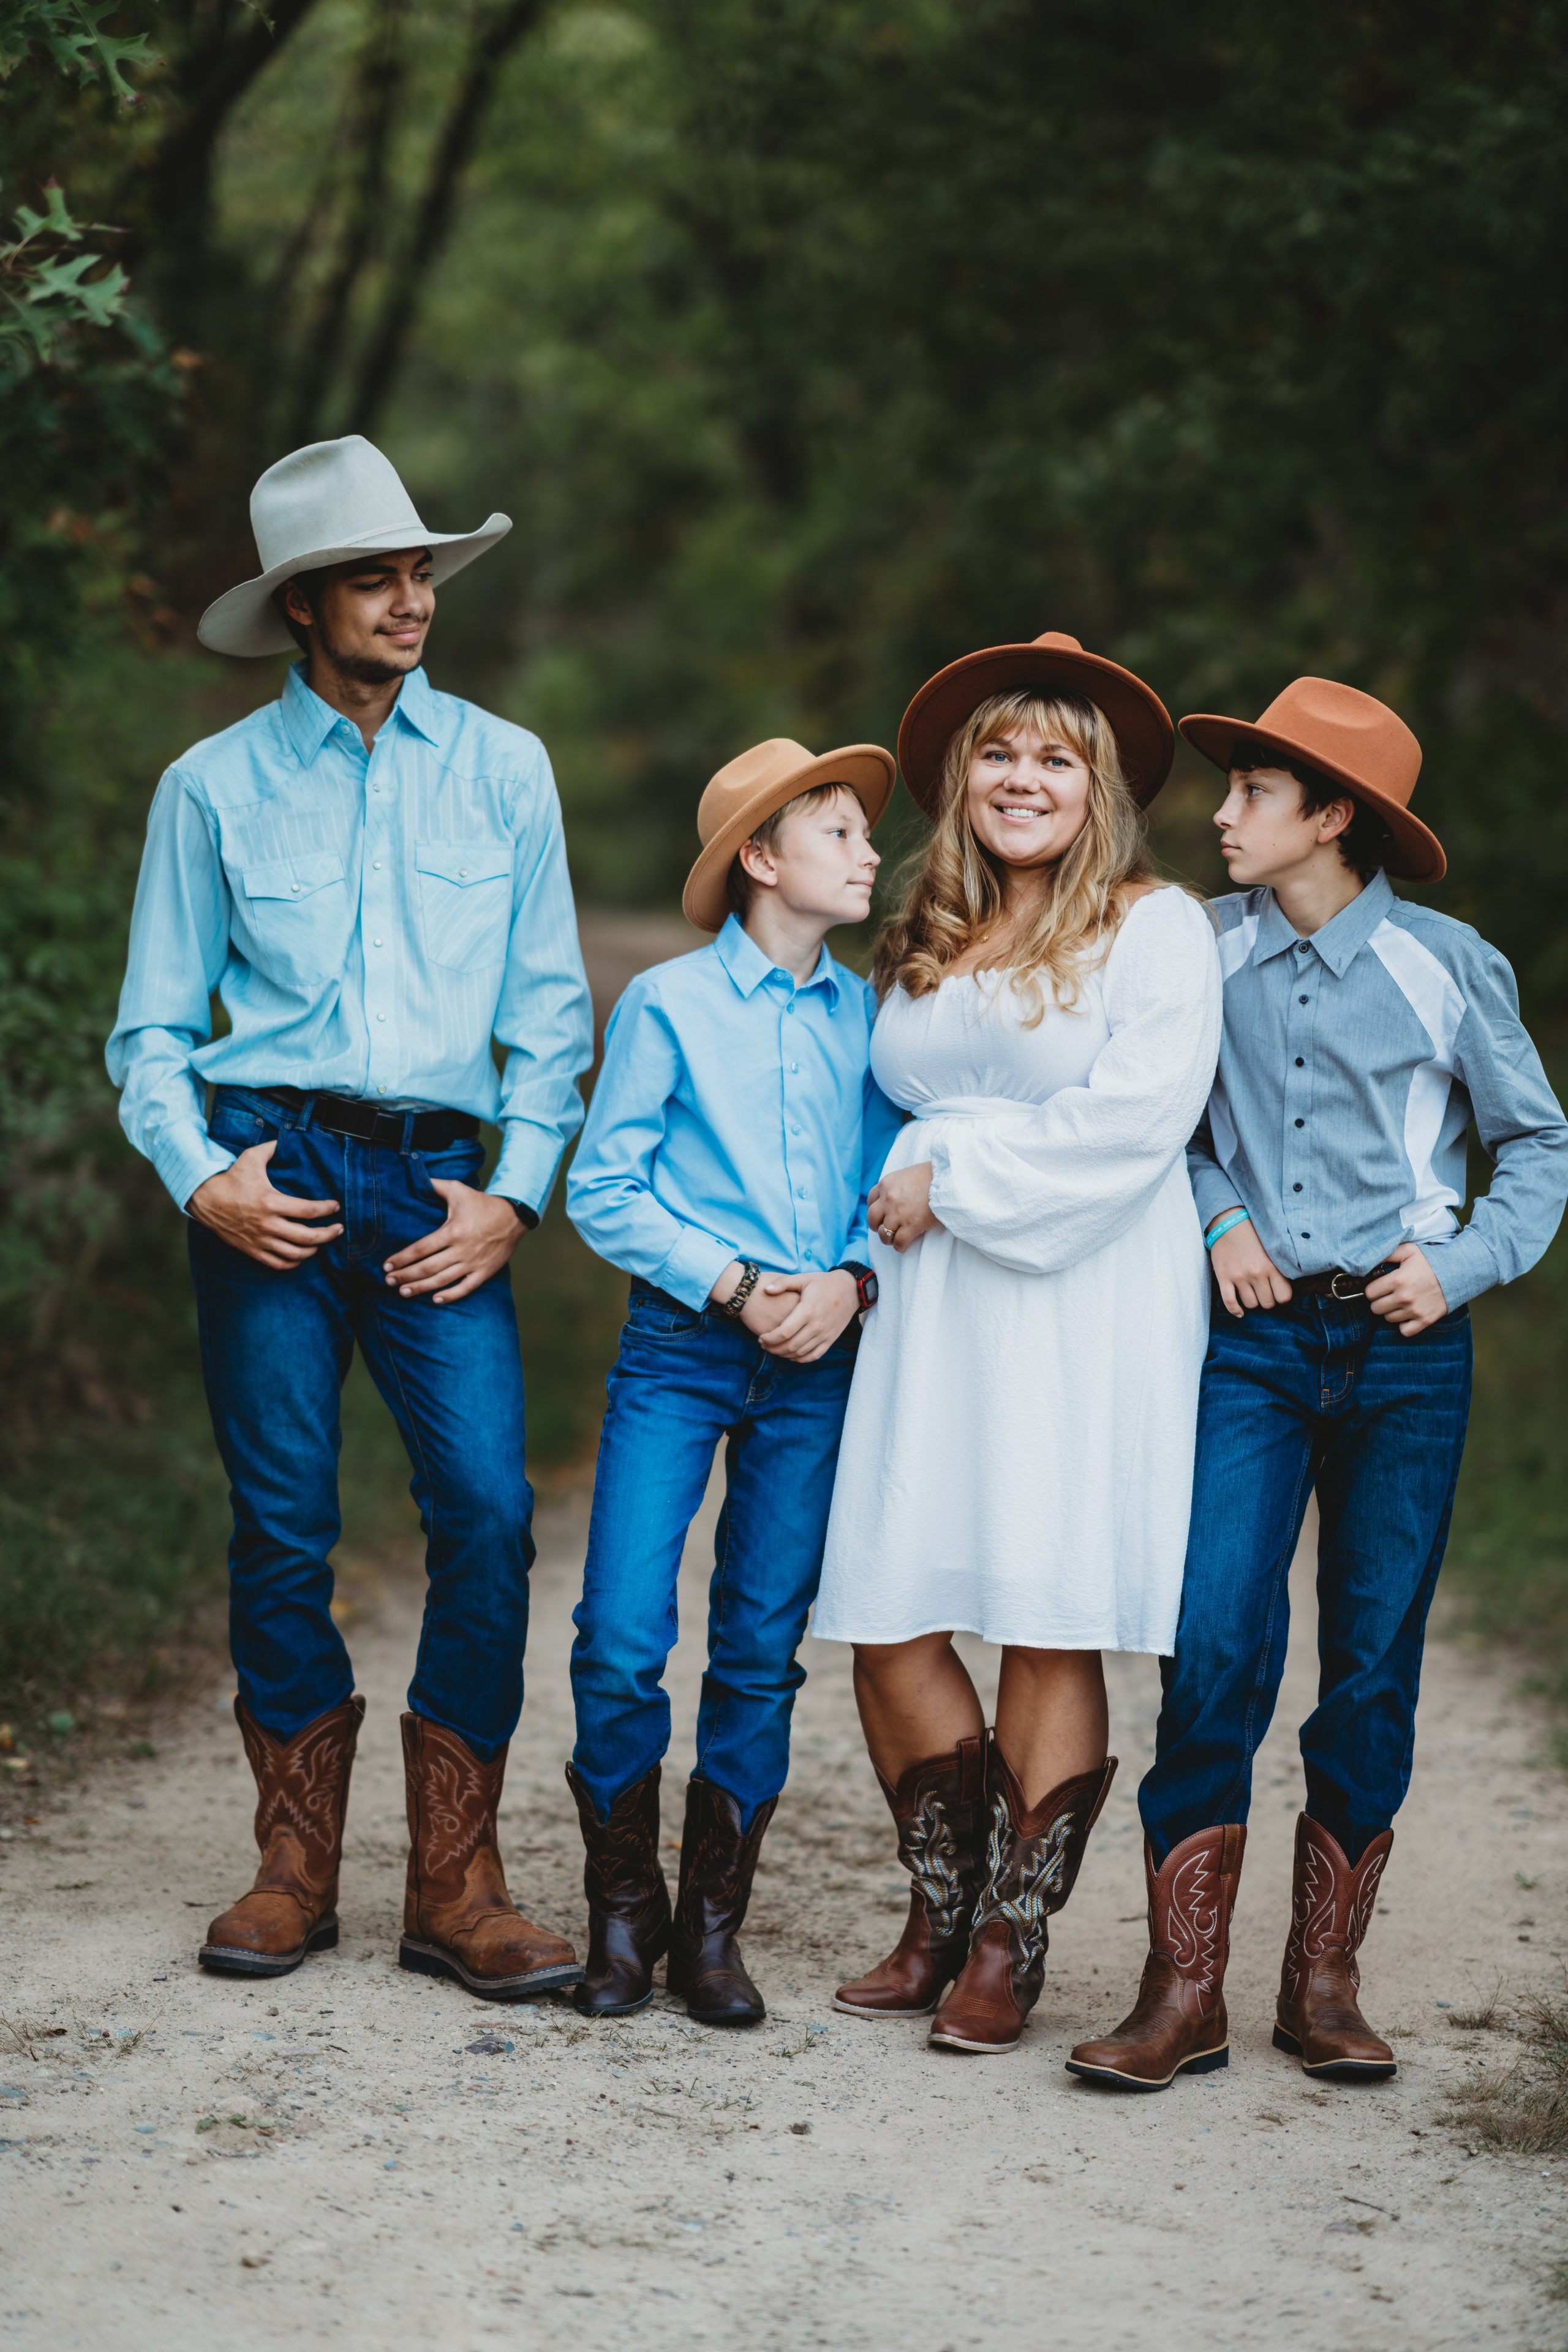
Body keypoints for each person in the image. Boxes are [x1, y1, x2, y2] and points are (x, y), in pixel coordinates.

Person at [107, 435, 594, 2001]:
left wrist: (517, 1191)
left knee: (487, 1512)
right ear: (303, 606)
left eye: (419, 572)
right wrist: (203, 1177)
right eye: (375, 577)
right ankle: (292, 1867)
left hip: (440, 1184)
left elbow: (549, 1015)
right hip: (272, 1181)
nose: (411, 598)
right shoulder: (212, 790)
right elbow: (150, 1031)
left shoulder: (505, 768)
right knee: (284, 1526)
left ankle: (455, 1881)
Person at [1066, 677, 1568, 2091]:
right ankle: (1181, 1990)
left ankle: (1320, 1980)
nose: (1219, 815)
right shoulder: (1191, 955)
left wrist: (1459, 1268)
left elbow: (1535, 1146)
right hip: (1249, 1347)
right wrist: (1217, 1215)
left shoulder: (1445, 968)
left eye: (1252, 795)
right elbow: (1142, 1121)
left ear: (1330, 817)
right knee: (1212, 1641)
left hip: (1407, 1354)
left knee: (1368, 1664)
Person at [814, 630, 1223, 2056]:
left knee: (1048, 1603)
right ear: (958, 777)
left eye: (1055, 756)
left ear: (1098, 784)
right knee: (886, 1605)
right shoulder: (923, 930)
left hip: (1080, 1280)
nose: (1021, 777)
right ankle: (937, 1905)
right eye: (996, 752)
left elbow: (1138, 1117)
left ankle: (1006, 1936)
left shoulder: (1151, 924)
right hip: (926, 1292)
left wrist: (960, 1186)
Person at [564, 736, 902, 2024]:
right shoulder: (665, 1004)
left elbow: (892, 1185)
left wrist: (850, 1284)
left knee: (758, 1650)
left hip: (815, 1363)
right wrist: (729, 1282)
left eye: (865, 835)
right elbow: (604, 1184)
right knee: (617, 1636)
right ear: (760, 858)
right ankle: (622, 1913)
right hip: (682, 1348)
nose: (866, 852)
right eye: (837, 831)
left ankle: (710, 1934)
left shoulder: (872, 1018)